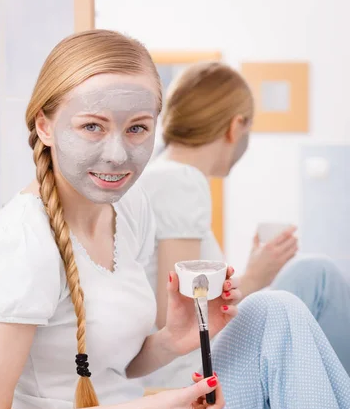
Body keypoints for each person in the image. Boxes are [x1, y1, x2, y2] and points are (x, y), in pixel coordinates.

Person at [0, 31, 350, 409]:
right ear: (44, 126)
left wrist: (175, 340)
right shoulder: (23, 242)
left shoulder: (129, 208)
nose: (117, 153)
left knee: (275, 312)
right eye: (92, 126)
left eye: (137, 128)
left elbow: (115, 364)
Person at [141, 61, 350, 388]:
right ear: (236, 126)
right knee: (318, 276)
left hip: (185, 366)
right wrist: (254, 279)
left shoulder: (159, 173)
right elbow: (177, 315)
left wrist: (250, 276)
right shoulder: (181, 180)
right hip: (188, 376)